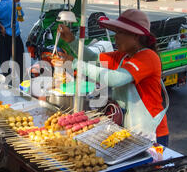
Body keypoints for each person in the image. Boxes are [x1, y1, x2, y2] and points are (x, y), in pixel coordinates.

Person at [58, 9, 169, 146]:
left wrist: (75, 64)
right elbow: (92, 58)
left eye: (120, 33)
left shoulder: (148, 57)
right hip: (129, 129)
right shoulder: (123, 55)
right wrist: (71, 40)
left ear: (135, 36)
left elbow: (115, 78)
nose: (115, 37)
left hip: (151, 132)